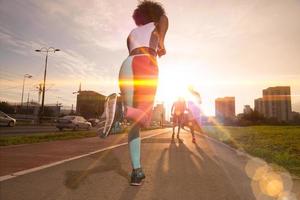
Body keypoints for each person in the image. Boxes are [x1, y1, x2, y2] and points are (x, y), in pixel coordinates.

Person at [101, 1, 168, 186]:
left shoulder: (131, 34)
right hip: (146, 65)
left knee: (134, 123)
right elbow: (164, 19)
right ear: (154, 13)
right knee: (144, 117)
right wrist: (161, 42)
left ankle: (136, 171)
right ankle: (120, 111)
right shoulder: (157, 23)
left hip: (126, 65)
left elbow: (133, 51)